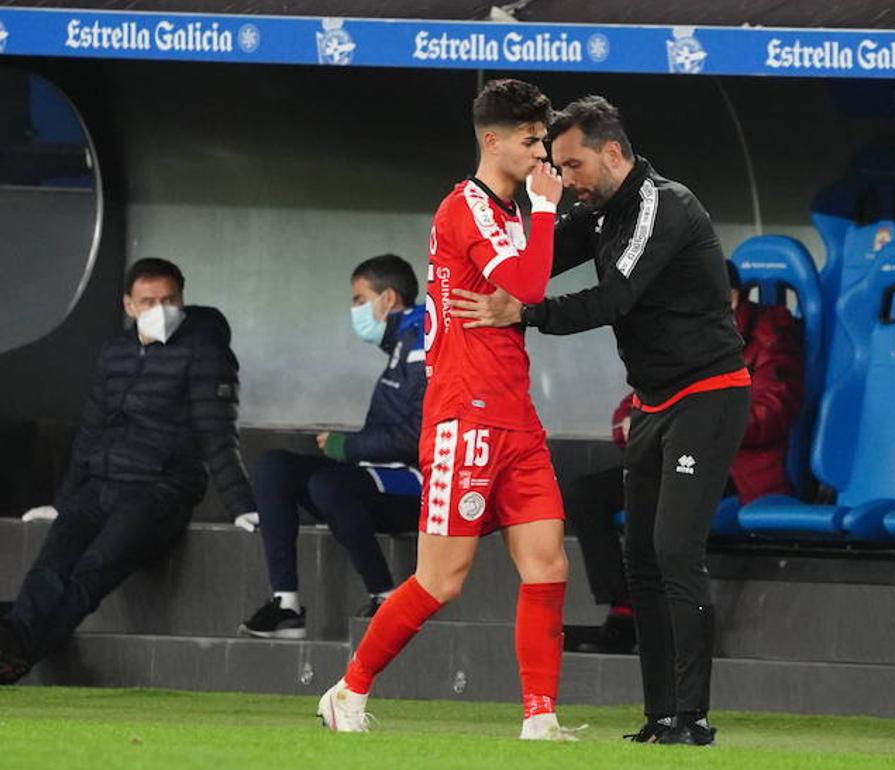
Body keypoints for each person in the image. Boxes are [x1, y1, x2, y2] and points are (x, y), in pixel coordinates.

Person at [449, 95, 750, 746]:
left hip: (709, 394)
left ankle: (692, 716)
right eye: (555, 165)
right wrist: (473, 263)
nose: (565, 180)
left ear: (613, 153)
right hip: (651, 400)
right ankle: (659, 716)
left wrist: (524, 316)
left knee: (674, 550)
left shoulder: (662, 205)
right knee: (639, 556)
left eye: (573, 164)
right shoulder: (598, 210)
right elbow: (535, 267)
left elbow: (615, 298)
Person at [315, 79, 575, 742]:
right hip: (467, 417)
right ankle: (348, 690)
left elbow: (520, 290)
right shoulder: (467, 207)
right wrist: (546, 212)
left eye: (542, 138)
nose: (541, 151)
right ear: (492, 141)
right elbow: (527, 283)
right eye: (530, 139)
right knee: (441, 580)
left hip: (515, 415)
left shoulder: (511, 210)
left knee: (548, 563)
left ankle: (540, 718)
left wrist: (538, 222)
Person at [0, 258, 256, 684]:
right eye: (149, 300)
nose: (161, 308)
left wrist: (241, 504)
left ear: (183, 298)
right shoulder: (115, 351)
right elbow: (92, 429)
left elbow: (217, 432)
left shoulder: (206, 351)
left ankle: (16, 650)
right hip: (100, 484)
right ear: (128, 304)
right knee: (50, 565)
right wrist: (64, 502)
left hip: (159, 490)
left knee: (93, 569)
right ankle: (12, 645)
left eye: (170, 299)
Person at [566, 260, 802, 655]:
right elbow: (639, 396)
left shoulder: (771, 336)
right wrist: (632, 423)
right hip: (672, 457)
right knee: (585, 494)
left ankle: (677, 625)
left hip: (738, 468)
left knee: (665, 499)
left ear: (731, 296)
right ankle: (625, 611)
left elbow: (773, 413)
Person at [239, 254, 426, 639]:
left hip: (421, 483)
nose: (354, 310)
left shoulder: (423, 341)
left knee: (328, 484)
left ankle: (386, 598)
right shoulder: (401, 344)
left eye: (359, 299)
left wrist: (348, 446)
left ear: (388, 299)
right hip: (379, 475)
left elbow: (419, 437)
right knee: (276, 465)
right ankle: (286, 603)